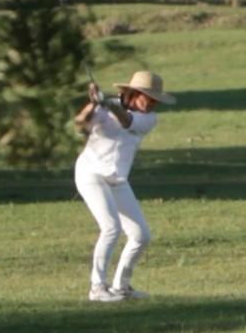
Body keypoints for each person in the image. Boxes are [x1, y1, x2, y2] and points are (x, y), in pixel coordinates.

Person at [72, 70, 177, 303]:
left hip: (117, 179)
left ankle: (121, 287)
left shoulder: (148, 119)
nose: (151, 104)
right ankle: (97, 288)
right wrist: (92, 105)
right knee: (111, 228)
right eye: (148, 98)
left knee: (141, 235)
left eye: (155, 101)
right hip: (90, 174)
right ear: (133, 93)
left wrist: (106, 105)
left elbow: (126, 120)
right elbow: (79, 125)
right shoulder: (105, 106)